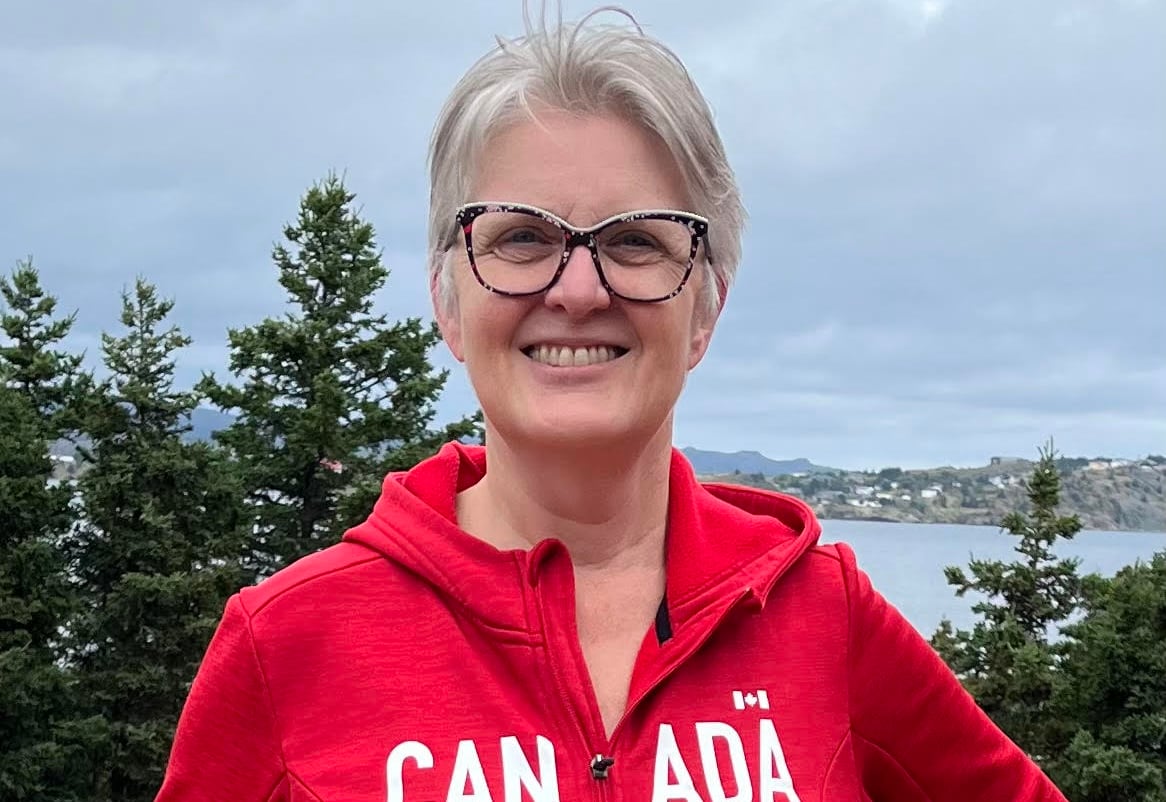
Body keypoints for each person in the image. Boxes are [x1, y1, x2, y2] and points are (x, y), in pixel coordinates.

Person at [156, 6, 1068, 801]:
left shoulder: (822, 620)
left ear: (706, 305)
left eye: (636, 240)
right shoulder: (289, 645)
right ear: (446, 300)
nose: (579, 289)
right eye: (520, 238)